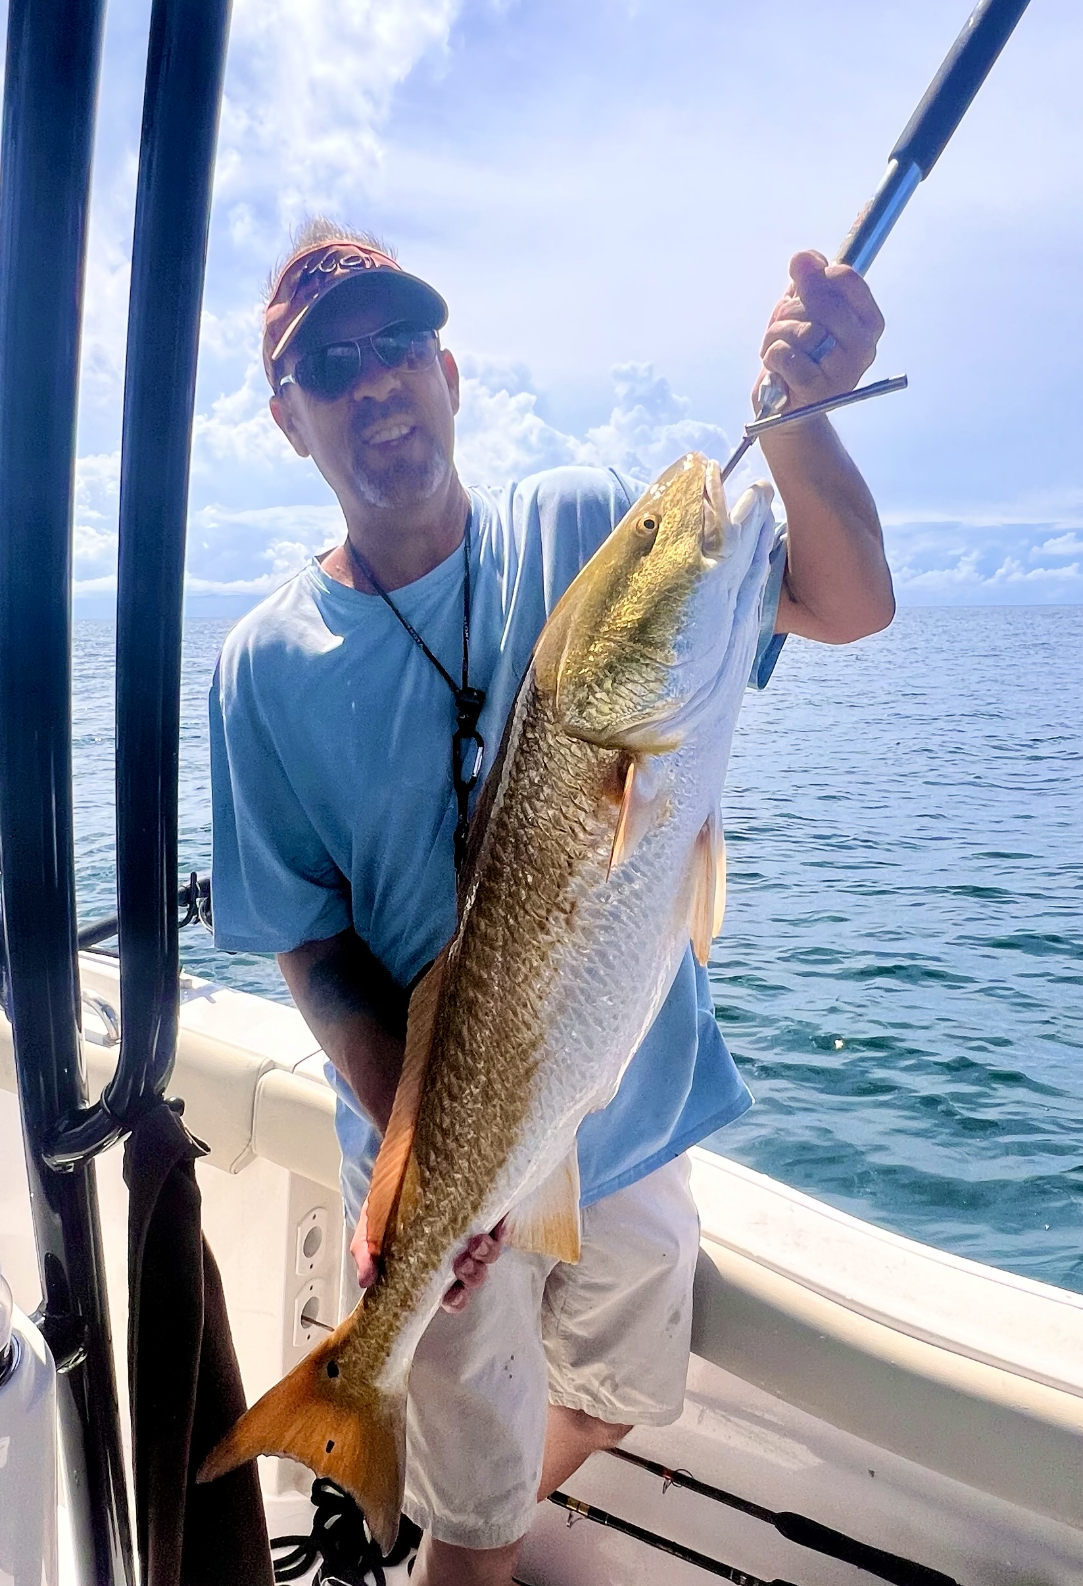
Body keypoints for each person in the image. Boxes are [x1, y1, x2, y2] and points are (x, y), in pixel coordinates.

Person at [209, 217, 894, 1586]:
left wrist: (802, 422)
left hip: (632, 1123)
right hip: (430, 1151)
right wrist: (424, 1167)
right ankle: (443, 1509)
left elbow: (850, 600)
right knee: (472, 1541)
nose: (375, 380)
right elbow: (313, 946)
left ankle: (432, 1492)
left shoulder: (586, 526)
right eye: (329, 366)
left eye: (401, 342)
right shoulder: (263, 666)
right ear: (288, 421)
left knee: (623, 1392)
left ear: (451, 372)